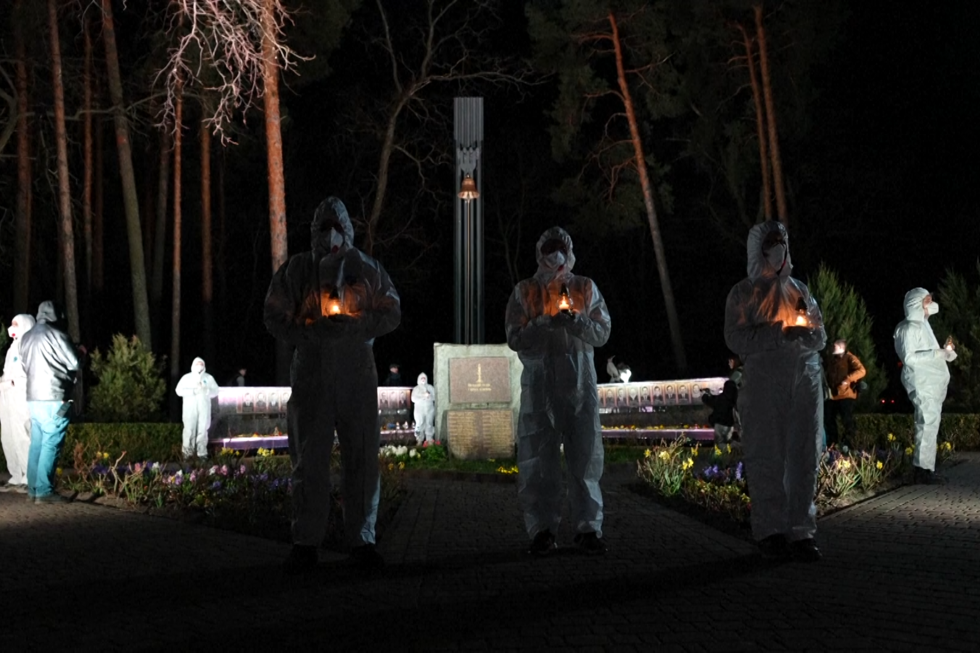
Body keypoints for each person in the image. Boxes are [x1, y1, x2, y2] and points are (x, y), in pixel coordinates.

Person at [264, 196, 401, 573]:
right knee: (309, 459)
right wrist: (309, 331)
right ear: (314, 230)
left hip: (357, 372)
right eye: (324, 226)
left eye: (336, 225)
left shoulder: (365, 268)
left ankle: (362, 541)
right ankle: (306, 542)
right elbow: (273, 315)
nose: (330, 234)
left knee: (362, 457)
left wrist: (359, 326)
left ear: (347, 229)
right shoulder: (297, 270)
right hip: (312, 373)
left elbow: (392, 311)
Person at [505, 226, 611, 556]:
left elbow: (602, 332)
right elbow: (514, 337)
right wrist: (543, 323)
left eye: (559, 247)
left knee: (585, 457)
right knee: (539, 460)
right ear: (539, 252)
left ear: (569, 250)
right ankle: (542, 529)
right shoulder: (525, 291)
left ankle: (588, 528)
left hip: (580, 385)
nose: (555, 253)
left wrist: (575, 320)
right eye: (549, 247)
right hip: (539, 387)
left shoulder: (584, 287)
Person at [725, 220, 826, 562]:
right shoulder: (744, 293)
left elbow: (820, 334)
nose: (778, 247)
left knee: (804, 454)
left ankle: (801, 531)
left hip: (805, 381)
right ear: (758, 249)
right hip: (765, 383)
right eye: (771, 242)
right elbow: (735, 338)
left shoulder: (800, 290)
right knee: (767, 453)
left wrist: (806, 335)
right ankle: (770, 530)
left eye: (782, 240)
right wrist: (777, 334)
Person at [894, 288, 956, 484]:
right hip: (922, 383)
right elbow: (909, 358)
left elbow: (928, 352)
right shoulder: (908, 328)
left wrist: (945, 353)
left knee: (930, 425)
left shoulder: (923, 325)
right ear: (916, 304)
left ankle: (927, 468)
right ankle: (922, 470)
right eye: (927, 301)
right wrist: (937, 354)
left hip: (931, 383)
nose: (931, 305)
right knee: (926, 424)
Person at [20, 301, 80, 504]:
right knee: (51, 443)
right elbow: (74, 363)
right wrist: (79, 352)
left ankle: (33, 490)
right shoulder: (57, 335)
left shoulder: (26, 337)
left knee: (36, 443)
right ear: (57, 315)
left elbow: (24, 366)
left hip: (33, 397)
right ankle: (44, 491)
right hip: (54, 396)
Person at [0, 314, 36, 493]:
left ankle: (29, 477)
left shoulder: (29, 347)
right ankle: (15, 475)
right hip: (7, 397)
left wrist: (13, 383)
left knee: (22, 435)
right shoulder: (12, 348)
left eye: (16, 324)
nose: (11, 328)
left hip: (20, 397)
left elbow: (29, 375)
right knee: (8, 436)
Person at [174, 357, 221, 460]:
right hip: (189, 409)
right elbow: (178, 390)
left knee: (203, 430)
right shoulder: (186, 378)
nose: (200, 366)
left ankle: (202, 453)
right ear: (193, 365)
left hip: (204, 409)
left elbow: (216, 391)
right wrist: (192, 391)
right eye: (197, 364)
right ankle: (187, 454)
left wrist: (207, 390)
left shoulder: (208, 378)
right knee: (189, 430)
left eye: (201, 364)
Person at [823, 339, 866, 447]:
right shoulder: (832, 359)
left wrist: (847, 380)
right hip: (833, 395)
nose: (832, 348)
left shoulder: (850, 357)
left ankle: (849, 444)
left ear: (841, 348)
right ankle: (833, 444)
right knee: (829, 419)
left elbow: (862, 371)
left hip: (846, 394)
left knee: (847, 420)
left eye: (835, 346)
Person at [702, 355, 742, 448]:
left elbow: (722, 400)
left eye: (730, 361)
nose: (729, 363)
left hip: (724, 421)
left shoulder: (736, 377)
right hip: (731, 420)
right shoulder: (742, 376)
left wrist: (706, 397)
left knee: (721, 444)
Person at [411, 372, 436, 445]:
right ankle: (419, 439)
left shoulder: (430, 387)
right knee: (419, 424)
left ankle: (429, 438)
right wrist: (423, 396)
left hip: (429, 408)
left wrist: (429, 397)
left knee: (429, 423)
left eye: (424, 378)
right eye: (422, 378)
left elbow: (434, 397)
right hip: (419, 409)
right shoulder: (416, 389)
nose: (423, 379)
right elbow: (413, 398)